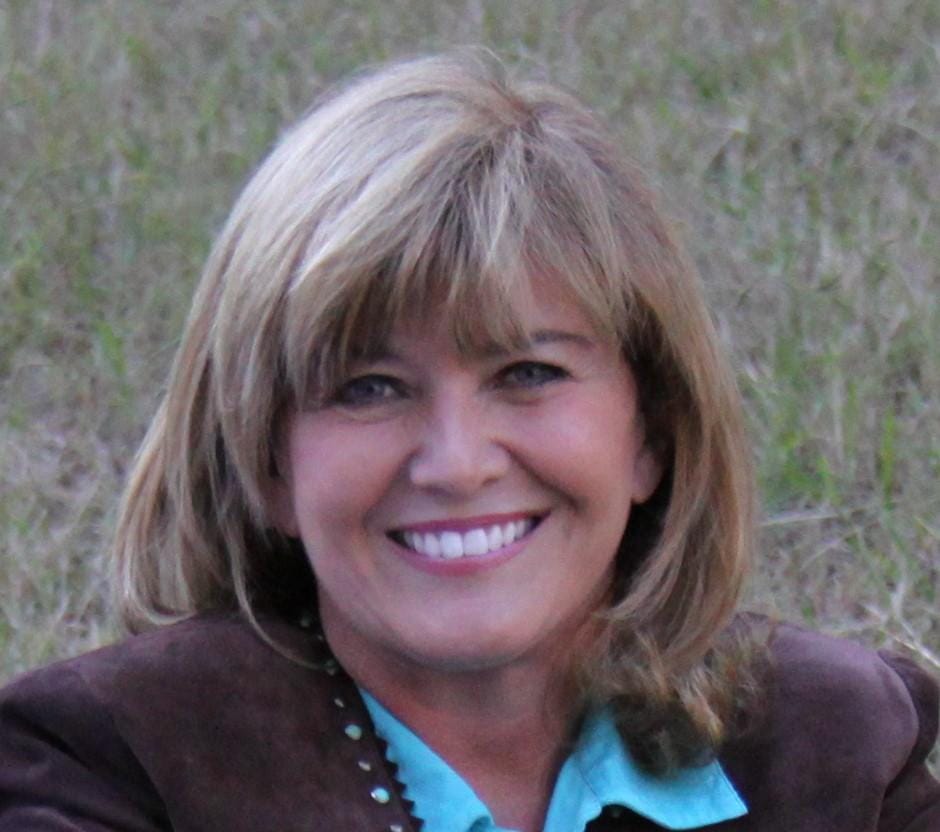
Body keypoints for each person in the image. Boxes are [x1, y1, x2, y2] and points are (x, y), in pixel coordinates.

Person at [0, 52, 937, 832]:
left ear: (652, 431)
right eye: (368, 389)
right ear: (266, 461)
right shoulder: (105, 767)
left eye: (528, 373)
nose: (456, 463)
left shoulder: (835, 742)